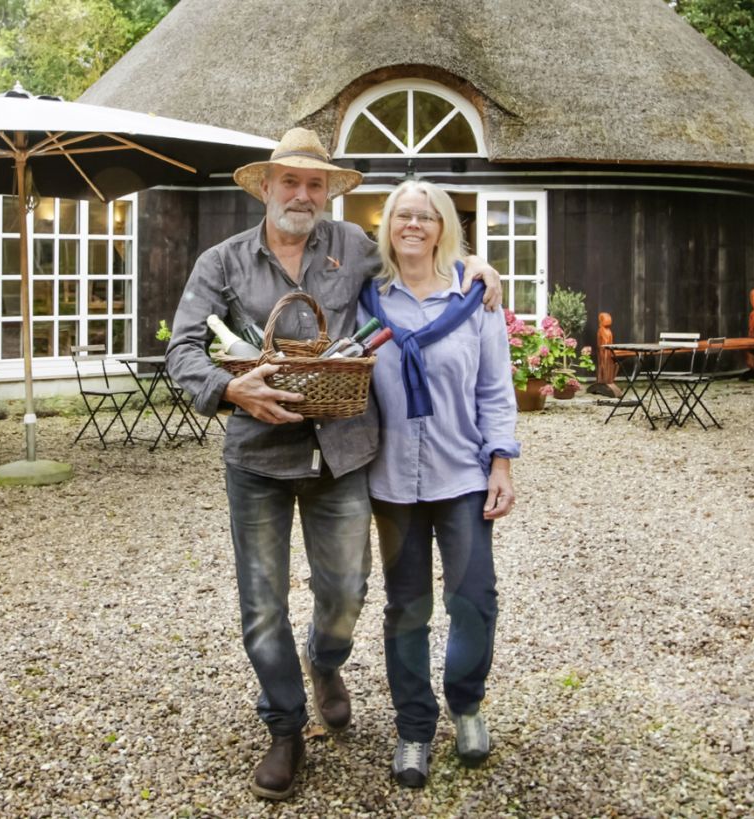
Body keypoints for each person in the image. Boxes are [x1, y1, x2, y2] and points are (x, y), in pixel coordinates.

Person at [165, 128, 502, 801]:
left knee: (347, 590)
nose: (302, 193)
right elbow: (182, 352)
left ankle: (326, 660)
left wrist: (477, 271)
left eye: (314, 183)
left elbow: (419, 257)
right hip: (258, 459)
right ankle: (285, 727)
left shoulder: (352, 247)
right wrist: (230, 388)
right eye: (289, 181)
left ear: (327, 193)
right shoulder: (222, 262)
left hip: (342, 454)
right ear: (266, 187)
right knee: (262, 607)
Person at [358, 180, 519, 789]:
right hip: (392, 481)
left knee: (474, 598)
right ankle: (414, 727)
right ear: (389, 225)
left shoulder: (475, 300)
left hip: (462, 477)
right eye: (404, 215)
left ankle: (468, 706)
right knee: (407, 608)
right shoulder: (368, 301)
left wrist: (501, 463)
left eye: (427, 216)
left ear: (443, 226)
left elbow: (495, 391)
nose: (415, 225)